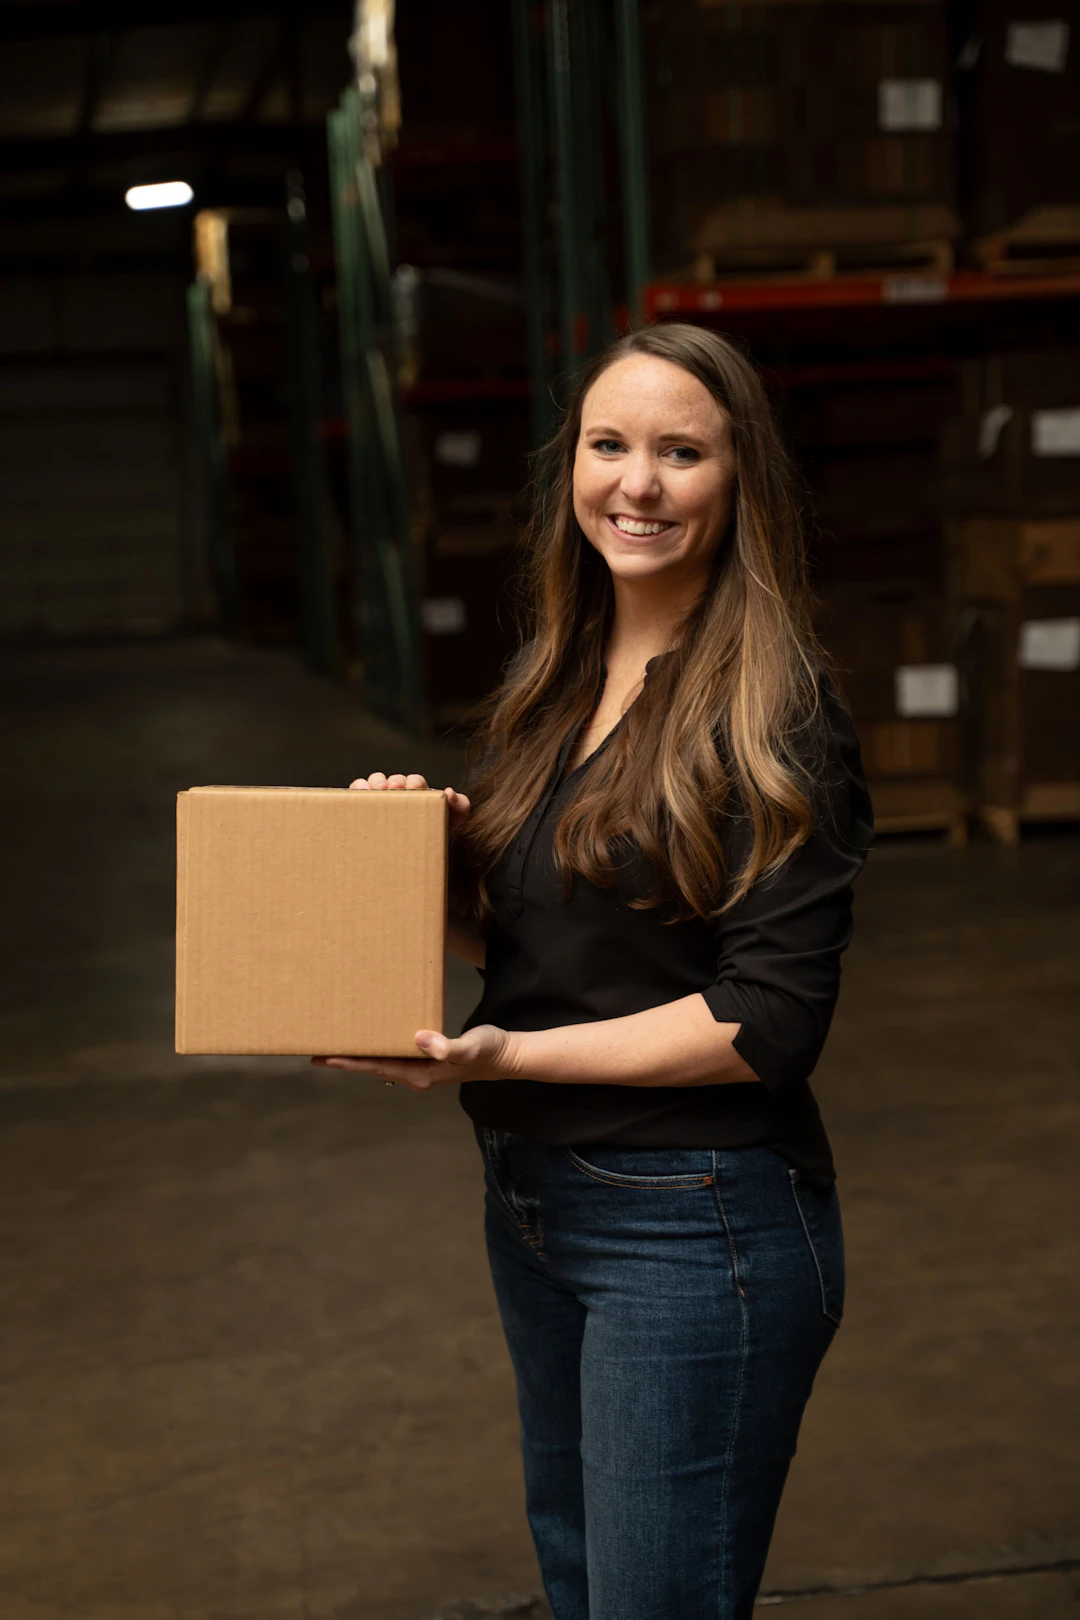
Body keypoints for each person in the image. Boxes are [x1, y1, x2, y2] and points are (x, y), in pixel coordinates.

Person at [316, 323, 874, 1620]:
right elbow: (530, 946)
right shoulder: (557, 674)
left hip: (692, 1221)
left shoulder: (774, 707)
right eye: (608, 445)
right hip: (533, 1199)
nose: (637, 483)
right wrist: (408, 865)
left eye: (682, 453)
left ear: (740, 485)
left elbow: (768, 1020)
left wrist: (503, 1052)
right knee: (583, 1583)